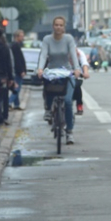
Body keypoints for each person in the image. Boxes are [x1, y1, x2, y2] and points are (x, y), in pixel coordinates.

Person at [36, 16, 82, 145]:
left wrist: (77, 69)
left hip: (66, 72)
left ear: (64, 27)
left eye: (61, 25)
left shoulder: (68, 39)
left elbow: (73, 54)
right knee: (48, 88)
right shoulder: (47, 40)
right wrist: (40, 69)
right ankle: (49, 110)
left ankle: (69, 132)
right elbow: (43, 55)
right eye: (56, 25)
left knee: (67, 102)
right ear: (53, 26)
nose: (58, 27)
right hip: (52, 72)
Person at [10, 29, 27, 110]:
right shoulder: (15, 46)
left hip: (16, 71)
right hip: (17, 71)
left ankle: (16, 104)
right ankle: (9, 102)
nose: (23, 38)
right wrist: (21, 71)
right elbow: (17, 60)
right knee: (17, 88)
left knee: (16, 87)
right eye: (21, 36)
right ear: (17, 37)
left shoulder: (15, 45)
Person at [73, 47, 91, 115]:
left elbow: (84, 63)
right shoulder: (62, 52)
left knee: (77, 88)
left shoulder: (80, 53)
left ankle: (79, 106)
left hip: (76, 75)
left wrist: (85, 72)